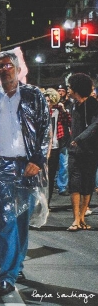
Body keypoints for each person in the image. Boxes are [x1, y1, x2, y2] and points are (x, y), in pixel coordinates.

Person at [0, 50, 49, 295]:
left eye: (8, 65)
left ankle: (16, 264)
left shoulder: (33, 96)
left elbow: (44, 128)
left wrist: (38, 159)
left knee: (21, 221)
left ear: (18, 69)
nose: (4, 69)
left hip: (27, 167)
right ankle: (7, 275)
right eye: (0, 66)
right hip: (1, 168)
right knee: (7, 220)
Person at [66, 73, 98, 232]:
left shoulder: (92, 103)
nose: (68, 89)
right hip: (74, 151)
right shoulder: (73, 105)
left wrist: (79, 138)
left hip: (90, 150)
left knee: (87, 184)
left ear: (76, 88)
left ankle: (83, 217)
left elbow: (95, 124)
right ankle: (76, 219)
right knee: (74, 184)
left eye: (70, 86)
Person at [43, 88, 71, 207]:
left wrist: (63, 109)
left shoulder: (59, 111)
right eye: (46, 101)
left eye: (50, 101)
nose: (48, 103)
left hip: (55, 146)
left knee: (51, 174)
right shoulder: (42, 111)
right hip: (43, 148)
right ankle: (41, 203)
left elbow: (69, 121)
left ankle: (47, 202)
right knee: (42, 177)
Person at [56, 83, 72, 196]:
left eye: (62, 90)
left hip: (64, 138)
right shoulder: (51, 106)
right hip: (52, 139)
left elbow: (70, 121)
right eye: (58, 90)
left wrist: (64, 110)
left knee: (64, 164)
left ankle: (62, 186)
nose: (60, 92)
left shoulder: (70, 104)